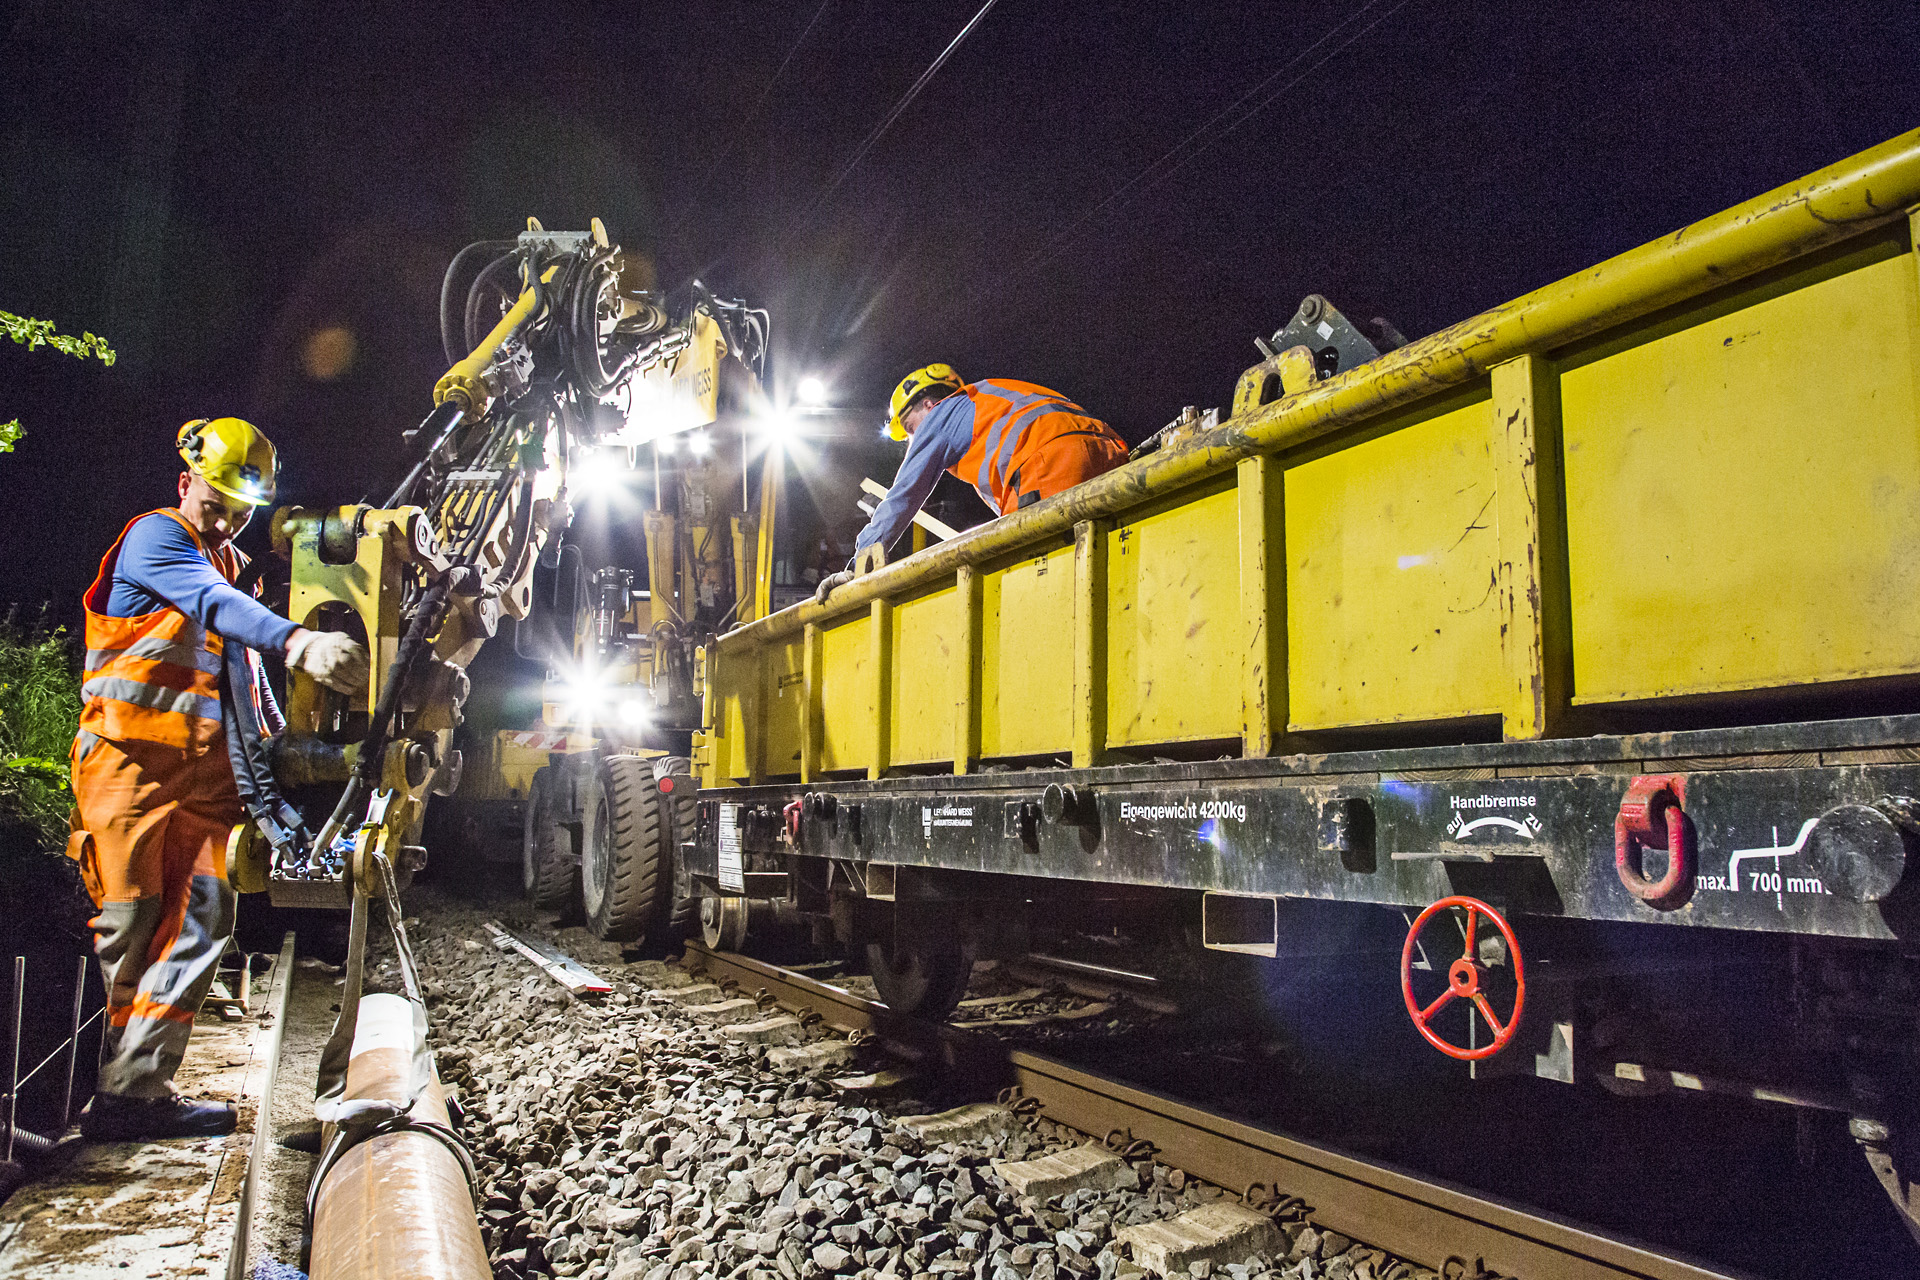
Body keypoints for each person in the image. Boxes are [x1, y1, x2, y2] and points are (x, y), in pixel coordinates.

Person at [69, 417, 369, 1141]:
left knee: (201, 927)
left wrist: (337, 759)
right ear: (185, 483)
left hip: (202, 793)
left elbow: (252, 714)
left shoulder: (231, 577)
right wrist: (298, 640)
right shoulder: (158, 539)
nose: (229, 520)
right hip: (130, 772)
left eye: (243, 509)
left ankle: (134, 1093)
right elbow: (214, 605)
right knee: (127, 930)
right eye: (218, 502)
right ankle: (87, 1091)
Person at [815, 365, 1128, 601]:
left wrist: (858, 566)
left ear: (927, 404)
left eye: (911, 428)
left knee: (1042, 590)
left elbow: (904, 496)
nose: (914, 439)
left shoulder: (942, 415)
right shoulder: (993, 395)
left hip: (1049, 465)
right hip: (1109, 451)